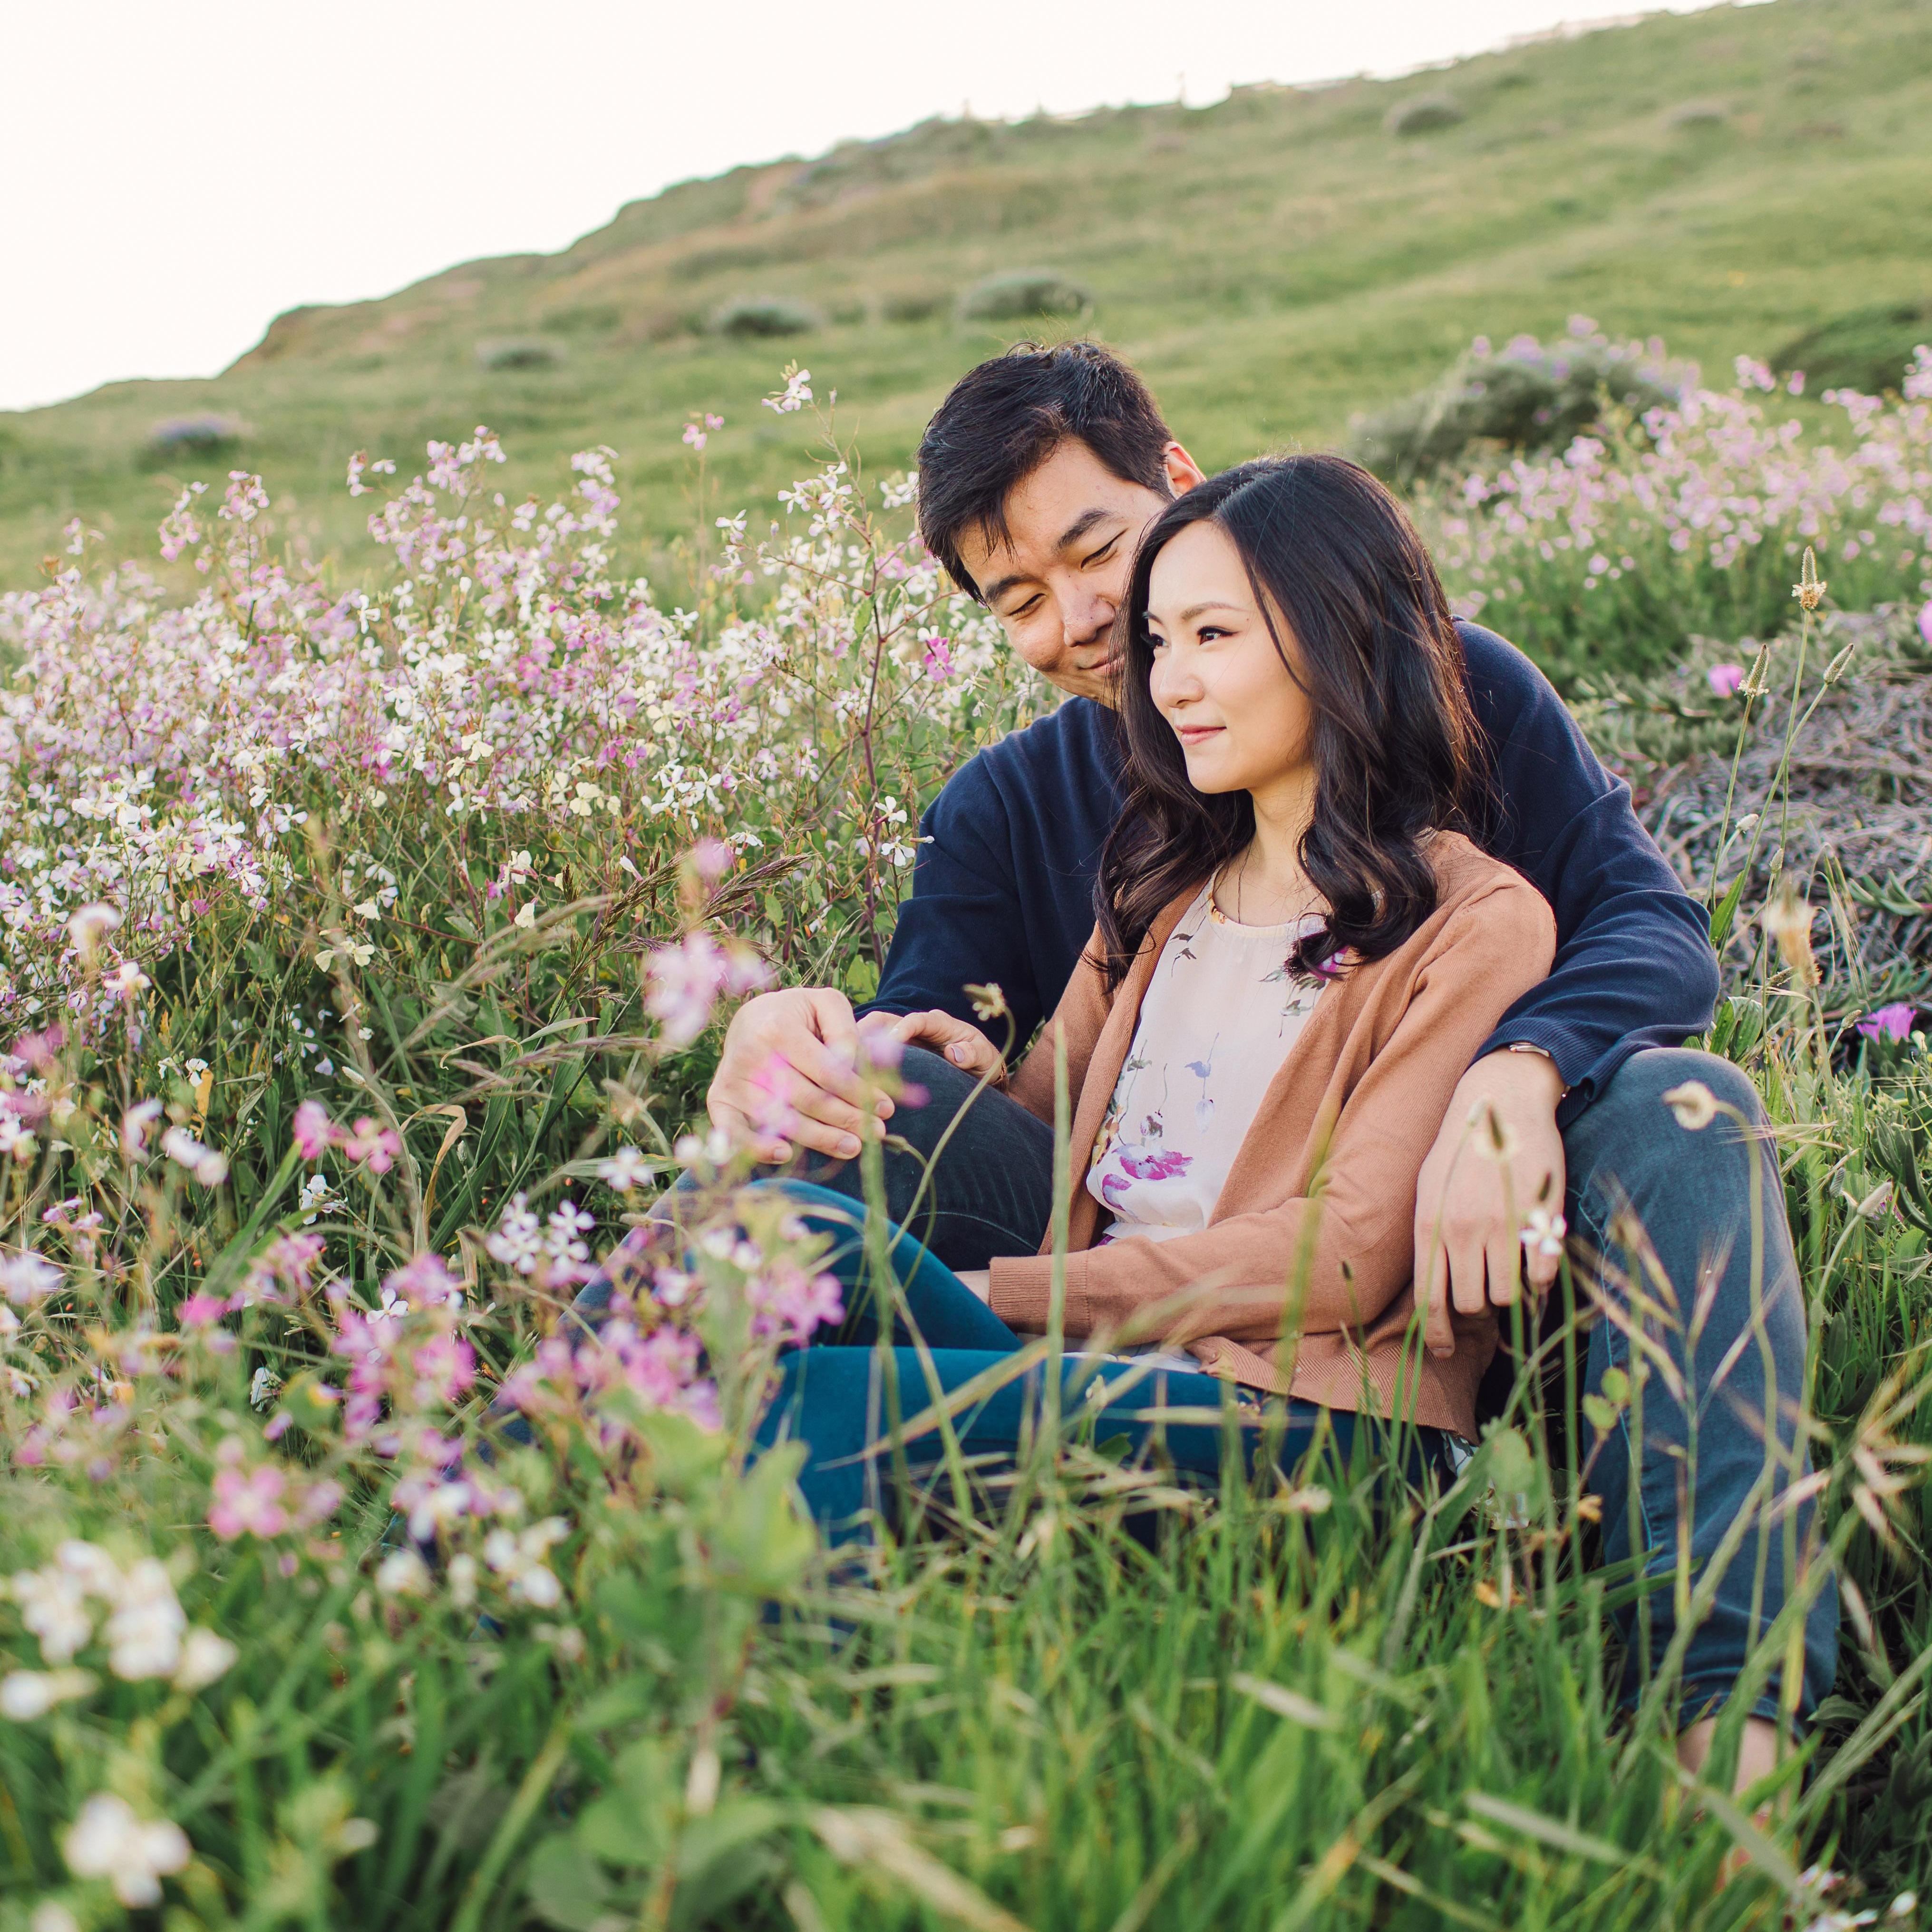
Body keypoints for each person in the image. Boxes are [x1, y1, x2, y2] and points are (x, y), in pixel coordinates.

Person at [631, 344, 1833, 1785]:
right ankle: (500, 1558)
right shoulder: (1113, 850)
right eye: (1026, 602)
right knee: (731, 1236)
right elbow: (932, 1049)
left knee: (1683, 1106)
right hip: (1110, 1277)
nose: (1099, 628)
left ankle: (1719, 1718)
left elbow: (1639, 928)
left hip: (1385, 1322)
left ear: (1197, 504)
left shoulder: (1464, 767)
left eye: (1110, 562)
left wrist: (1523, 1067)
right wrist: (794, 1039)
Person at [742, 453, 1555, 1534]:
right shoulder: (1156, 889)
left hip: (1305, 1412)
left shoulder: (1470, 913)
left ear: (1339, 633)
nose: (1166, 683)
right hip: (1101, 1353)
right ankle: (485, 1545)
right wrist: (937, 1069)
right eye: (1160, 642)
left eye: (1212, 637)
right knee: (773, 1235)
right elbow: (1042, 1138)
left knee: (800, 1401)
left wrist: (1007, 1297)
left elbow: (1352, 1255)